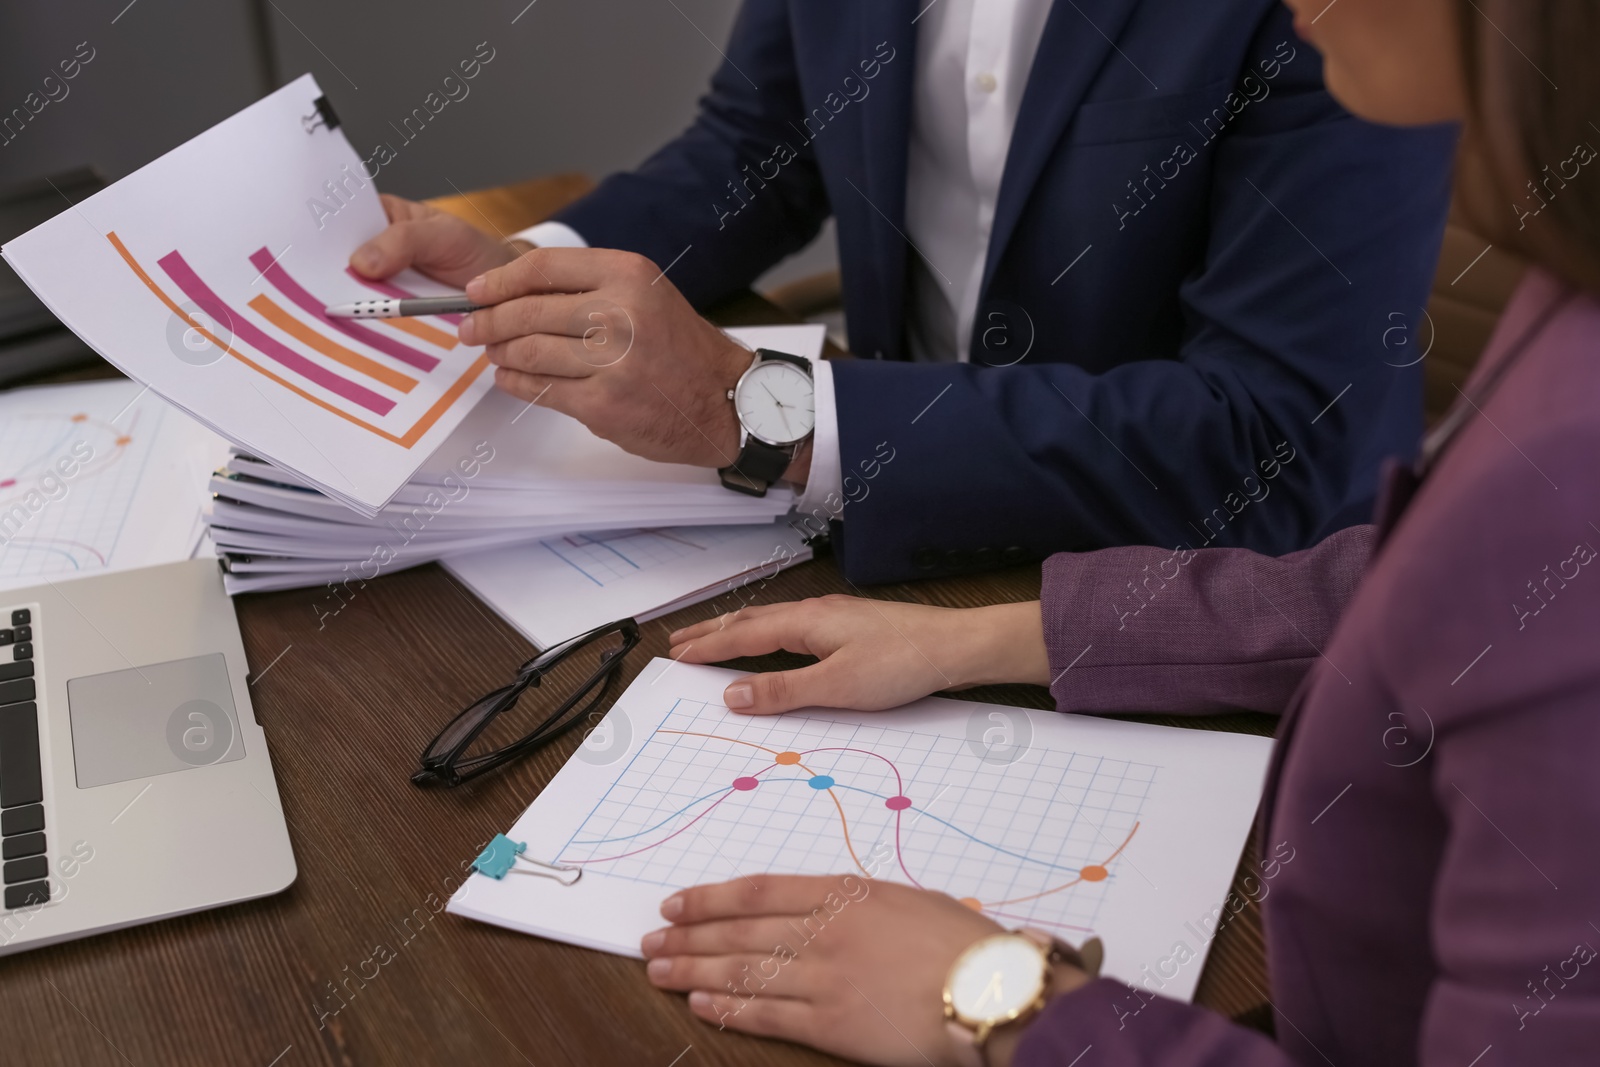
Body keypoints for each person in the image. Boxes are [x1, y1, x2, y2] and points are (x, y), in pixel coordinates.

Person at [635, 0, 1600, 1063]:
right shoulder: (1566, 288)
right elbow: (1406, 592)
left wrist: (1000, 1005)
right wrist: (1003, 635)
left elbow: (1307, 459)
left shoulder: (1564, 467)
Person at [351, 0, 1456, 584]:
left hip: (1190, 592)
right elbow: (761, 145)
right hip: (879, 521)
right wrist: (526, 269)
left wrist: (753, 410)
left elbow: (1276, 445)